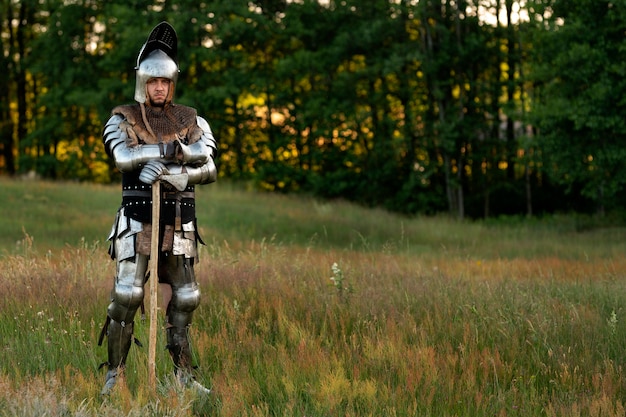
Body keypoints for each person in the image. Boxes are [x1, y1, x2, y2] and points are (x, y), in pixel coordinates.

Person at [98, 21, 217, 396]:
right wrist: (172, 159)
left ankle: (184, 377)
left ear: (172, 83)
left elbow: (210, 163)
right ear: (142, 83)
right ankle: (114, 377)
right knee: (127, 296)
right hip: (137, 218)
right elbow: (122, 157)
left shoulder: (192, 120)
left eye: (165, 81)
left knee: (185, 297)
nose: (159, 88)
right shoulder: (123, 118)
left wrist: (180, 175)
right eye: (153, 82)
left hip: (180, 219)